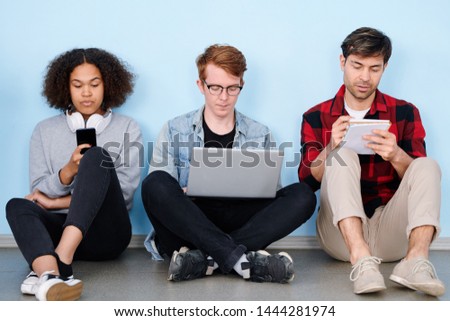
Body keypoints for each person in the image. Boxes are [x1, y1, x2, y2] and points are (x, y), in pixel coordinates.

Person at [142, 44, 316, 283]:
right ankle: (240, 258)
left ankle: (207, 260)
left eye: (232, 88)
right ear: (200, 85)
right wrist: (184, 192)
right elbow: (162, 194)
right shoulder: (174, 128)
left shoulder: (260, 133)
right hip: (190, 222)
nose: (224, 97)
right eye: (215, 88)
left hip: (239, 219)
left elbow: (271, 197)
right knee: (155, 183)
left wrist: (254, 192)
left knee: (303, 195)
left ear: (241, 86)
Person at [299, 27, 445, 296]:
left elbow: (420, 182)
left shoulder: (405, 112)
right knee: (342, 156)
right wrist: (331, 147)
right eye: (357, 66)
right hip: (340, 237)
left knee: (426, 165)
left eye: (375, 68)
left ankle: (415, 261)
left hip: (392, 232)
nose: (365, 77)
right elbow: (306, 182)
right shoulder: (315, 116)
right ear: (342, 63)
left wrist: (396, 155)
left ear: (385, 67)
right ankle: (362, 262)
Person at [5, 48, 143, 301]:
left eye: (94, 84)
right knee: (17, 205)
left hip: (106, 234)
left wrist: (57, 202)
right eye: (77, 85)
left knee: (96, 156)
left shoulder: (128, 128)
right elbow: (37, 191)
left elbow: (123, 195)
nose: (87, 93)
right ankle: (49, 275)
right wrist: (67, 171)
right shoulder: (44, 131)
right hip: (58, 229)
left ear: (107, 85)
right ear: (66, 88)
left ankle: (63, 262)